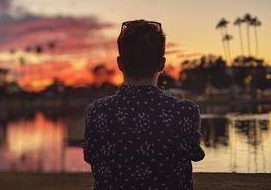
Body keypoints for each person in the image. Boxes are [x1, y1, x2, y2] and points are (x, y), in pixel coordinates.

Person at [83, 19, 205, 189]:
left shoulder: (98, 112)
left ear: (120, 64)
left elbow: (89, 156)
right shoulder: (185, 112)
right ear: (162, 64)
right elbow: (196, 154)